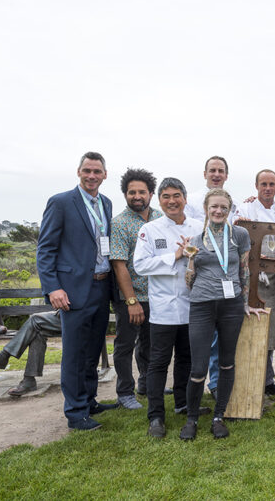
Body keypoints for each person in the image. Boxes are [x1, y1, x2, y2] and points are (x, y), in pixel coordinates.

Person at [37, 151, 118, 430]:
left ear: (105, 174)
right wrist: (53, 288)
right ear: (79, 172)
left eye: (97, 171)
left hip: (101, 285)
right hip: (71, 290)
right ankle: (75, 412)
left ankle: (89, 400)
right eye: (87, 171)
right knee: (74, 353)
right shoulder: (61, 202)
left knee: (93, 348)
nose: (92, 176)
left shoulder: (105, 203)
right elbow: (45, 249)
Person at [180, 188, 266, 440]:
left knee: (227, 362)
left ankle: (218, 416)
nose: (218, 211)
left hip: (230, 306)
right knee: (198, 367)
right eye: (214, 207)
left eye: (223, 208)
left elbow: (244, 270)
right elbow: (189, 283)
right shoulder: (195, 240)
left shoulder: (239, 235)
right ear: (206, 209)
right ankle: (191, 419)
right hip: (202, 305)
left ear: (229, 210)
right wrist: (189, 260)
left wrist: (246, 302)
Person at [134, 177, 204, 438]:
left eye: (176, 196)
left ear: (185, 198)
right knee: (158, 363)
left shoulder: (199, 226)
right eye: (166, 196)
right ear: (159, 200)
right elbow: (140, 265)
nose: (172, 201)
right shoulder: (150, 230)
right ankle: (156, 416)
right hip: (163, 308)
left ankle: (184, 404)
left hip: (193, 305)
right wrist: (174, 256)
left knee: (187, 359)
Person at [183, 156, 236, 400]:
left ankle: (216, 385)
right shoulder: (193, 201)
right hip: (202, 280)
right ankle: (196, 390)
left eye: (221, 171)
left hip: (225, 282)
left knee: (222, 342)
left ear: (226, 175)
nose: (216, 174)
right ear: (204, 173)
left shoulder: (231, 203)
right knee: (204, 343)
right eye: (212, 170)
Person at [109, 168, 162, 409]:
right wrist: (132, 302)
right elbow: (119, 265)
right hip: (129, 297)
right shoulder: (119, 224)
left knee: (150, 345)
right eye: (132, 192)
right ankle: (125, 392)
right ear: (125, 194)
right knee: (125, 346)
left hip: (157, 295)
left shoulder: (161, 219)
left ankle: (147, 384)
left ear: (151, 193)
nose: (137, 196)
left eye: (142, 191)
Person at [234, 169, 275, 395]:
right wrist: (239, 223)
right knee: (248, 329)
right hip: (250, 276)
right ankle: (249, 379)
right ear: (256, 186)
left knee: (270, 329)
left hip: (273, 277)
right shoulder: (245, 208)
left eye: (272, 184)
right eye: (263, 184)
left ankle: (267, 381)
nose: (268, 188)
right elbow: (233, 232)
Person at [0, 310, 60, 395]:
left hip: (72, 316)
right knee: (37, 332)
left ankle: (3, 356)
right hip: (67, 314)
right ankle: (29, 380)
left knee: (35, 319)